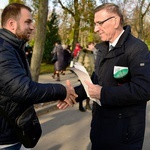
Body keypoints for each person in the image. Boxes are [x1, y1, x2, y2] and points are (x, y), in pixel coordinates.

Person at [58, 3, 150, 150]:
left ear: (115, 21)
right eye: (95, 24)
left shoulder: (137, 49)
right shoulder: (102, 49)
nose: (95, 29)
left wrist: (102, 93)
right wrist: (73, 94)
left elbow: (144, 89)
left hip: (124, 137)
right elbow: (95, 82)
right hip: (100, 131)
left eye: (99, 23)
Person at [0, 3, 77, 150]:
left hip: (13, 131)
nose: (32, 27)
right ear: (11, 24)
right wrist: (62, 91)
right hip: (5, 139)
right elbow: (23, 89)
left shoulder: (13, 47)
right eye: (27, 22)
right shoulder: (3, 49)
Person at [77, 42, 96, 112]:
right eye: (92, 44)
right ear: (88, 45)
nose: (93, 46)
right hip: (84, 74)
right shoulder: (83, 52)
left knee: (89, 90)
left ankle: (87, 104)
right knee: (82, 90)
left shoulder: (92, 53)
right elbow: (79, 63)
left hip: (92, 74)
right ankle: (80, 105)